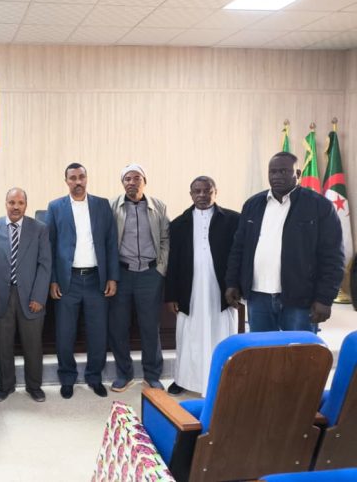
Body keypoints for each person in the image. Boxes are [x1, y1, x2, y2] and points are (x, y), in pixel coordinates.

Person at [226, 152, 344, 332]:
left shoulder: (319, 206)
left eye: (283, 171)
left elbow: (333, 257)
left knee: (298, 349)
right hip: (258, 297)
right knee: (263, 349)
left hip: (300, 299)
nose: (276, 176)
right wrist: (232, 282)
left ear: (298, 174)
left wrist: (324, 298)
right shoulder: (252, 205)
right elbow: (239, 248)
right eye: (272, 172)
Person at [46, 163, 118, 399]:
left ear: (87, 178)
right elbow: (50, 246)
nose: (78, 182)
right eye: (73, 178)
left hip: (97, 279)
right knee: (65, 333)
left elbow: (111, 243)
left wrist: (112, 277)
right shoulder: (55, 207)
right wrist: (53, 280)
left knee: (98, 332)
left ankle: (94, 377)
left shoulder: (102, 205)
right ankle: (67, 378)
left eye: (81, 177)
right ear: (66, 181)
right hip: (68, 281)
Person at [164, 176, 240, 395]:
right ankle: (184, 379)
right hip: (190, 289)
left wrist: (237, 286)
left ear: (215, 192)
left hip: (221, 289)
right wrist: (171, 295)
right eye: (197, 191)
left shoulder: (232, 220)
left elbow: (239, 255)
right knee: (188, 335)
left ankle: (224, 379)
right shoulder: (178, 224)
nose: (202, 195)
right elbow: (172, 263)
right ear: (191, 194)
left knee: (221, 333)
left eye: (207, 191)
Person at [0, 187, 51, 403]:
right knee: (3, 345)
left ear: (26, 205)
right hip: (1, 296)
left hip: (31, 296)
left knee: (33, 344)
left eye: (20, 203)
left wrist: (39, 297)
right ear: (6, 204)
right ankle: (6, 386)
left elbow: (45, 265)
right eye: (12, 202)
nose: (16, 207)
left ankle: (34, 386)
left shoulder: (39, 229)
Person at [109, 164, 169, 391]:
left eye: (136, 178)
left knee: (150, 327)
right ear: (122, 183)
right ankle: (124, 374)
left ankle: (152, 375)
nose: (132, 182)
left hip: (150, 275)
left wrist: (160, 268)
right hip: (122, 274)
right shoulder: (112, 206)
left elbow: (165, 239)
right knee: (118, 327)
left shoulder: (158, 206)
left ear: (145, 181)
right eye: (127, 179)